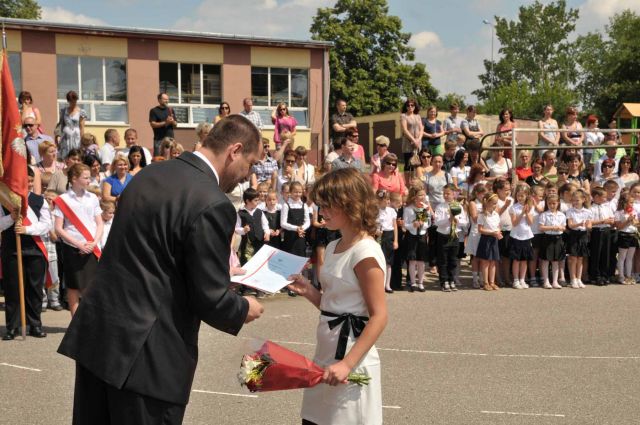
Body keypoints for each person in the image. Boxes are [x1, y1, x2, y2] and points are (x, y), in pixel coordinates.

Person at [57, 115, 264, 424]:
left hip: (100, 339)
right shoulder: (212, 202)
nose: (247, 176)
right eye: (249, 164)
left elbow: (153, 253)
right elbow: (210, 298)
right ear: (234, 151)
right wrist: (244, 307)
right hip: (148, 358)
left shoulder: (148, 175)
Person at [287, 168, 386, 425]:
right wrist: (308, 290)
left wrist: (347, 365)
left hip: (352, 358)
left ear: (351, 203)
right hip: (325, 354)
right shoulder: (333, 246)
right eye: (321, 205)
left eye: (328, 205)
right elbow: (334, 305)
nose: (322, 212)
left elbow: (379, 316)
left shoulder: (365, 252)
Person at [1, 168, 51, 340]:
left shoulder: (39, 200)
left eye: (30, 181)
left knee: (35, 290)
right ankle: (12, 327)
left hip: (35, 250)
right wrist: (11, 218)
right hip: (12, 250)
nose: (28, 184)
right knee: (13, 289)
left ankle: (35, 325)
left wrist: (27, 229)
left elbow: (47, 225)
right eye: (25, 181)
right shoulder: (4, 200)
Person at [53, 163, 104, 316]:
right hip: (72, 248)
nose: (89, 180)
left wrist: (94, 242)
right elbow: (58, 228)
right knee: (74, 286)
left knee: (91, 286)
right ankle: (75, 321)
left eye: (89, 177)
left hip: (91, 246)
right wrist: (78, 244)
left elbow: (99, 223)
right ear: (74, 179)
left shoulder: (92, 197)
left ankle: (89, 320)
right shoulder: (63, 199)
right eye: (86, 178)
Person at [434, 184, 468, 292]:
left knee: (453, 259)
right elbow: (437, 222)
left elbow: (464, 222)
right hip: (443, 235)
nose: (445, 195)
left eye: (448, 193)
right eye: (444, 193)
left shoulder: (458, 206)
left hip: (455, 235)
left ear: (454, 194)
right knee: (443, 259)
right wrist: (448, 219)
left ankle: (451, 280)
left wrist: (458, 220)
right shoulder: (440, 207)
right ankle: (444, 281)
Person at [403, 185, 430, 292]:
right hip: (412, 236)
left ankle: (421, 282)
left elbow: (428, 223)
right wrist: (413, 225)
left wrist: (423, 224)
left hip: (422, 235)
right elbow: (405, 224)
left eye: (424, 195)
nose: (423, 197)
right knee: (412, 260)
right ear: (414, 197)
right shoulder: (408, 209)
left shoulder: (425, 208)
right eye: (420, 195)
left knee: (421, 261)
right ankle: (413, 282)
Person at [509, 184, 535, 289]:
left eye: (522, 196)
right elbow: (514, 223)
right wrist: (521, 213)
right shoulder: (513, 207)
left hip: (526, 236)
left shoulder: (530, 207)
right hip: (516, 236)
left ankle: (522, 279)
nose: (520, 198)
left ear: (527, 196)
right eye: (518, 195)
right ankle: (515, 280)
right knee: (516, 260)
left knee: (524, 260)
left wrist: (527, 212)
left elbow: (530, 222)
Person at [235, 188, 270, 265]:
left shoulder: (259, 211)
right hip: (247, 245)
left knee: (260, 261)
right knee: (248, 262)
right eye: (255, 200)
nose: (258, 202)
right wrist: (243, 230)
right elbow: (236, 228)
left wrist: (267, 233)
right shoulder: (241, 213)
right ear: (247, 201)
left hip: (260, 242)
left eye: (258, 200)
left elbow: (265, 224)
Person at [538, 194, 566, 289]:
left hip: (558, 238)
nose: (552, 205)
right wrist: (552, 227)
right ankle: (546, 281)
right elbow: (541, 227)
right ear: (547, 203)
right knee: (545, 260)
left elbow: (564, 227)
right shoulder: (544, 214)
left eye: (554, 203)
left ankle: (555, 281)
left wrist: (560, 228)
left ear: (558, 203)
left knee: (556, 261)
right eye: (549, 203)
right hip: (547, 238)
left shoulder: (561, 215)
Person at [565, 189, 592, 289]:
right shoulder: (570, 211)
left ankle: (579, 279)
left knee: (580, 258)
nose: (575, 202)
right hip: (574, 235)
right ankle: (573, 279)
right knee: (573, 258)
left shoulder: (588, 212)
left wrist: (588, 227)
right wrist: (579, 224)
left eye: (577, 200)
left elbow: (589, 225)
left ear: (583, 200)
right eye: (573, 200)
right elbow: (570, 225)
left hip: (583, 235)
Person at [589, 187, 614, 285]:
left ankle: (605, 275)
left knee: (606, 253)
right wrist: (603, 221)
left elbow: (611, 218)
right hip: (597, 231)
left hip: (606, 231)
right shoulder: (591, 208)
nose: (605, 199)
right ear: (596, 197)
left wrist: (611, 221)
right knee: (596, 254)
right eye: (603, 197)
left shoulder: (606, 207)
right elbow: (590, 222)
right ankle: (596, 276)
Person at [476, 193, 502, 291]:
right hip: (486, 239)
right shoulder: (482, 215)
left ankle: (492, 282)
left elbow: (498, 226)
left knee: (493, 262)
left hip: (494, 239)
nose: (496, 205)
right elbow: (480, 229)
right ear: (487, 202)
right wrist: (492, 233)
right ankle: (485, 283)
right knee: (485, 262)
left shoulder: (496, 214)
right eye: (494, 203)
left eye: (496, 203)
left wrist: (498, 232)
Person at [465, 184, 488, 288]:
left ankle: (482, 278)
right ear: (477, 193)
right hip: (475, 231)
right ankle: (475, 279)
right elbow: (475, 218)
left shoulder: (485, 203)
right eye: (483, 194)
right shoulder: (473, 203)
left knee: (483, 257)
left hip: (484, 231)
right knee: (476, 257)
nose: (484, 196)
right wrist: (484, 211)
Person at [375, 190, 398, 294]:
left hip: (389, 236)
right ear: (379, 200)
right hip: (378, 235)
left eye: (388, 199)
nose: (388, 201)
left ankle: (387, 284)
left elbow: (395, 226)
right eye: (385, 199)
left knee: (388, 261)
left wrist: (396, 240)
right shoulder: (375, 211)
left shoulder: (391, 211)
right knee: (379, 260)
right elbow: (371, 224)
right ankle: (379, 284)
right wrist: (375, 231)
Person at [280, 181, 310, 257]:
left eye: (300, 192)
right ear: (290, 192)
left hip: (301, 236)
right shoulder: (286, 205)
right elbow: (283, 223)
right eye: (295, 192)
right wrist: (296, 228)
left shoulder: (304, 205)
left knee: (300, 257)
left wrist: (301, 228)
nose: (298, 194)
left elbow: (307, 221)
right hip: (290, 237)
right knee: (289, 257)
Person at [614, 192, 638, 284]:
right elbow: (619, 227)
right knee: (622, 257)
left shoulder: (633, 211)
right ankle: (621, 276)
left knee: (630, 257)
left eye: (633, 202)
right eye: (631, 202)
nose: (632, 204)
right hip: (624, 235)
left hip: (633, 235)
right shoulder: (618, 212)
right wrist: (627, 221)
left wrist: (634, 221)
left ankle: (628, 276)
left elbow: (636, 223)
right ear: (624, 202)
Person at [57, 90, 86, 160]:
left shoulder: (81, 112)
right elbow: (61, 124)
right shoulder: (63, 111)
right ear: (68, 101)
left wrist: (82, 141)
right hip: (65, 137)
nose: (73, 102)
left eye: (74, 100)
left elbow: (82, 127)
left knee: (75, 155)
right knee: (64, 156)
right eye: (71, 101)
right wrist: (58, 136)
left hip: (76, 137)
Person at [400, 99, 424, 181]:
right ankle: (407, 183)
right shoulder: (403, 116)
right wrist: (414, 140)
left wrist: (418, 139)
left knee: (417, 163)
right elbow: (405, 130)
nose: (410, 107)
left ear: (415, 106)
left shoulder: (418, 116)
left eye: (412, 105)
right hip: (408, 143)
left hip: (418, 143)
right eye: (408, 105)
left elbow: (421, 129)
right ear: (406, 107)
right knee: (408, 164)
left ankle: (415, 182)